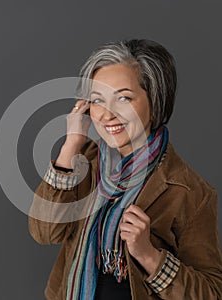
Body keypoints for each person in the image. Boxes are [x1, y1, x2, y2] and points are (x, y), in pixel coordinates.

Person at [28, 39, 222, 299]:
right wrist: (70, 146)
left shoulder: (189, 192)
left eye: (123, 98)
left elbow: (211, 293)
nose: (107, 114)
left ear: (154, 100)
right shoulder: (84, 163)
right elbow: (44, 232)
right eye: (98, 100)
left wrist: (150, 256)